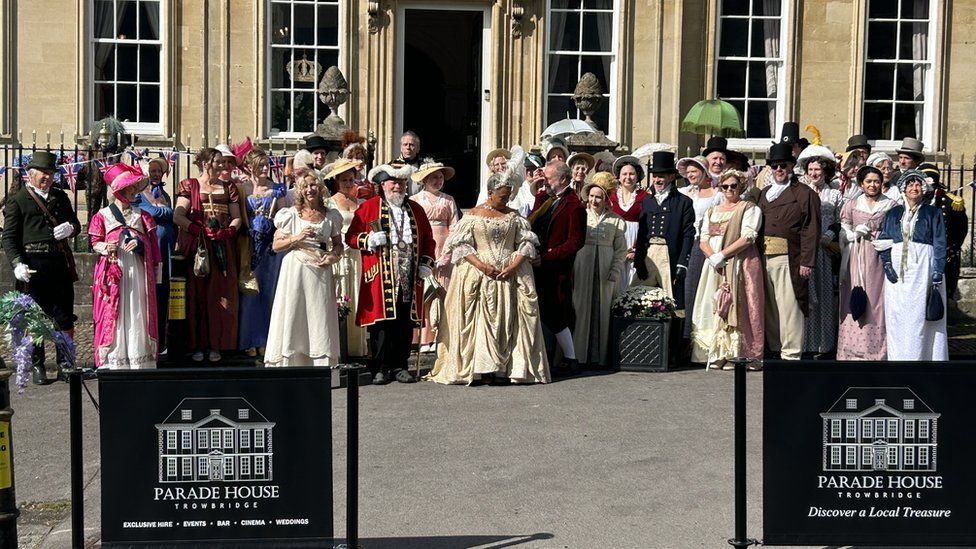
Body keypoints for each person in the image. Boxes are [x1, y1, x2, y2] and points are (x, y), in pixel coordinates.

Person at [426, 172, 550, 385]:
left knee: (509, 318)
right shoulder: (474, 215)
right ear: (490, 193)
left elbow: (526, 243)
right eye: (502, 196)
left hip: (509, 273)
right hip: (480, 271)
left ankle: (503, 369)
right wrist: (481, 265)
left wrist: (514, 265)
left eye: (508, 196)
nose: (506, 200)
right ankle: (482, 368)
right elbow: (461, 244)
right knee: (480, 319)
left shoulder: (514, 216)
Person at [347, 164, 436, 384]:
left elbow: (428, 241)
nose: (397, 186)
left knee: (404, 322)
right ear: (383, 184)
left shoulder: (416, 210)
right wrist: (367, 240)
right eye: (393, 182)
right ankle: (380, 367)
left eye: (402, 182)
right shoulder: (369, 207)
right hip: (381, 275)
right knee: (381, 324)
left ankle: (400, 365)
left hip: (409, 275)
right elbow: (350, 237)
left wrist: (426, 263)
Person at [1, 151, 81, 384]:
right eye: (42, 173)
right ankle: (38, 366)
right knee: (34, 318)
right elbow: (8, 238)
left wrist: (71, 229)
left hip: (58, 263)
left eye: (50, 173)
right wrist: (17, 263)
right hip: (32, 265)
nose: (47, 177)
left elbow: (75, 223)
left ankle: (65, 363)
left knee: (64, 316)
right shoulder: (18, 200)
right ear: (30, 174)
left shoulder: (60, 197)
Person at [263, 174, 343, 367]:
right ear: (299, 190)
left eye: (313, 185)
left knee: (319, 313)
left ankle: (320, 363)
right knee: (294, 311)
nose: (310, 189)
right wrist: (297, 237)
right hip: (295, 268)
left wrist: (333, 256)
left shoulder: (331, 215)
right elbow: (276, 245)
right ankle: (291, 363)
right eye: (305, 186)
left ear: (320, 187)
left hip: (320, 268)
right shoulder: (290, 215)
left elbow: (338, 245)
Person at [173, 148, 243, 363]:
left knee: (221, 296)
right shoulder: (190, 185)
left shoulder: (229, 187)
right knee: (197, 296)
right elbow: (178, 216)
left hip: (222, 248)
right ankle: (198, 345)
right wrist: (198, 230)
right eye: (219, 162)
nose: (223, 166)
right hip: (199, 250)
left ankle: (218, 344)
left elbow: (236, 217)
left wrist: (228, 231)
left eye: (224, 163)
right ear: (206, 164)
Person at [89, 163, 161, 369]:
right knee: (115, 310)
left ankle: (139, 357)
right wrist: (107, 246)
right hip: (114, 269)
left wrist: (140, 245)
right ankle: (115, 357)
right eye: (129, 188)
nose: (133, 191)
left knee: (137, 307)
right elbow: (94, 243)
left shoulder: (143, 216)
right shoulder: (102, 215)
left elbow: (153, 246)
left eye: (135, 187)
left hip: (137, 270)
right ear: (119, 191)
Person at [691, 170, 764, 369]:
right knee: (714, 304)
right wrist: (713, 257)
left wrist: (723, 254)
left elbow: (748, 236)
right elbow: (703, 238)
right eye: (725, 186)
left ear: (741, 186)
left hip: (740, 261)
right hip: (714, 263)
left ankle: (736, 353)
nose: (730, 189)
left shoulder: (748, 208)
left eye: (733, 185)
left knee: (737, 305)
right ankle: (716, 352)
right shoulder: (712, 211)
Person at [876, 169, 948, 361]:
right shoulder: (893, 213)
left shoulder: (933, 213)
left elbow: (940, 242)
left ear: (924, 189)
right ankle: (900, 357)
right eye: (910, 184)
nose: (914, 188)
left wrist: (938, 270)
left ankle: (925, 357)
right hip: (898, 271)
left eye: (918, 185)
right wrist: (887, 264)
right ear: (904, 189)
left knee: (921, 315)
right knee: (898, 314)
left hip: (924, 267)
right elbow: (884, 240)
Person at [758, 142, 821, 361]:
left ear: (792, 166)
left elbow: (811, 229)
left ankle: (791, 351)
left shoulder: (805, 194)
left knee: (790, 306)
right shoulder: (764, 193)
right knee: (771, 307)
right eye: (774, 166)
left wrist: (807, 262)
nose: (779, 169)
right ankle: (775, 348)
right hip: (764, 255)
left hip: (789, 256)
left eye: (783, 165)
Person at [528, 160, 586, 375]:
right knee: (542, 312)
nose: (545, 181)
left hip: (557, 268)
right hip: (539, 265)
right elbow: (531, 223)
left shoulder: (574, 205)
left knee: (557, 313)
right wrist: (540, 195)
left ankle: (570, 358)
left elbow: (576, 241)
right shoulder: (546, 199)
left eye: (549, 178)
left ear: (562, 179)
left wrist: (549, 256)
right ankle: (545, 357)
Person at [836, 166, 894, 360]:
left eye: (876, 181)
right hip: (857, 255)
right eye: (869, 181)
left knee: (878, 301)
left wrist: (888, 241)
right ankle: (851, 350)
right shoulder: (852, 204)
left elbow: (897, 231)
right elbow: (843, 231)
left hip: (878, 257)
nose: (873, 185)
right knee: (854, 295)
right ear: (861, 184)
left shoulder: (891, 204)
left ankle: (877, 350)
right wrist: (853, 234)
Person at [571, 173, 627, 368]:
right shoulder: (580, 214)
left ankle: (599, 356)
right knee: (580, 307)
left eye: (599, 197)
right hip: (583, 264)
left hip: (604, 266)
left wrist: (615, 269)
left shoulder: (617, 221)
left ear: (606, 199)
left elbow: (621, 250)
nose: (594, 200)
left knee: (603, 308)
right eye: (592, 196)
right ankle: (577, 356)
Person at [237, 148, 288, 358]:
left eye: (267, 164)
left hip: (269, 248)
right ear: (250, 167)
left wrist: (273, 231)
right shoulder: (242, 189)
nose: (266, 169)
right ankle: (250, 339)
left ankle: (268, 339)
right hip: (248, 245)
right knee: (249, 292)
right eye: (261, 165)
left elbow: (284, 218)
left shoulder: (277, 190)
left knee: (269, 292)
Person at [633, 151, 695, 313]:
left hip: (669, 254)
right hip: (648, 254)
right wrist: (639, 259)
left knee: (672, 300)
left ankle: (672, 337)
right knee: (637, 297)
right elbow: (642, 233)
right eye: (655, 176)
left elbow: (688, 235)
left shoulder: (684, 202)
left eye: (662, 176)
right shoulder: (646, 200)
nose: (658, 180)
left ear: (672, 177)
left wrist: (683, 262)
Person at [410, 160, 460, 352]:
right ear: (425, 179)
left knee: (443, 293)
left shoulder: (448, 200)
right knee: (424, 294)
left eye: (440, 177)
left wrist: (447, 254)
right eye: (434, 177)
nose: (438, 181)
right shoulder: (415, 200)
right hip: (423, 246)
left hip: (444, 245)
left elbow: (454, 227)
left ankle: (441, 336)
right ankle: (422, 339)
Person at [797, 146, 843, 356]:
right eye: (811, 170)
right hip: (805, 249)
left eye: (818, 170)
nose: (814, 173)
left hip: (824, 251)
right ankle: (804, 343)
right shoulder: (800, 191)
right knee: (804, 295)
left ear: (825, 172)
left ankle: (823, 344)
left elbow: (841, 220)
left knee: (824, 296)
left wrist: (830, 236)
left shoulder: (833, 194)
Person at [131, 157, 175, 356]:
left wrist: (163, 211)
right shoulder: (139, 195)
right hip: (150, 249)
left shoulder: (163, 192)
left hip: (166, 250)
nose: (156, 174)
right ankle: (147, 341)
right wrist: (165, 211)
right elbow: (150, 213)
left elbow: (168, 214)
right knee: (149, 292)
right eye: (153, 170)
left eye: (159, 171)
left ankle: (162, 342)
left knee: (163, 292)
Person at [325, 158, 368, 358]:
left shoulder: (361, 203)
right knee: (340, 297)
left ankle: (355, 348)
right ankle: (339, 347)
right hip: (339, 255)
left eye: (351, 180)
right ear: (337, 181)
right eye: (344, 180)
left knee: (357, 296)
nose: (348, 184)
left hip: (357, 255)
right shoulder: (329, 202)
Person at [677, 155, 722, 344]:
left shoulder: (716, 194)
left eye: (694, 171)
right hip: (685, 241)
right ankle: (685, 335)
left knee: (702, 288)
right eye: (688, 172)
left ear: (704, 172)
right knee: (685, 289)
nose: (690, 175)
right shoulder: (683, 192)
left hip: (704, 243)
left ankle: (702, 337)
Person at [919, 163, 968, 301]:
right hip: (921, 254)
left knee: (941, 293)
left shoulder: (951, 202)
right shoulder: (914, 200)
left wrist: (950, 250)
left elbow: (961, 230)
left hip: (944, 254)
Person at [608, 155, 648, 291]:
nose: (628, 177)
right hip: (616, 242)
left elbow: (647, 224)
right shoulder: (611, 197)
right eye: (624, 174)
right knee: (615, 281)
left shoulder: (645, 197)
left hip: (635, 242)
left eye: (632, 174)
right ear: (619, 177)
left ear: (637, 177)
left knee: (632, 281)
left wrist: (637, 249)